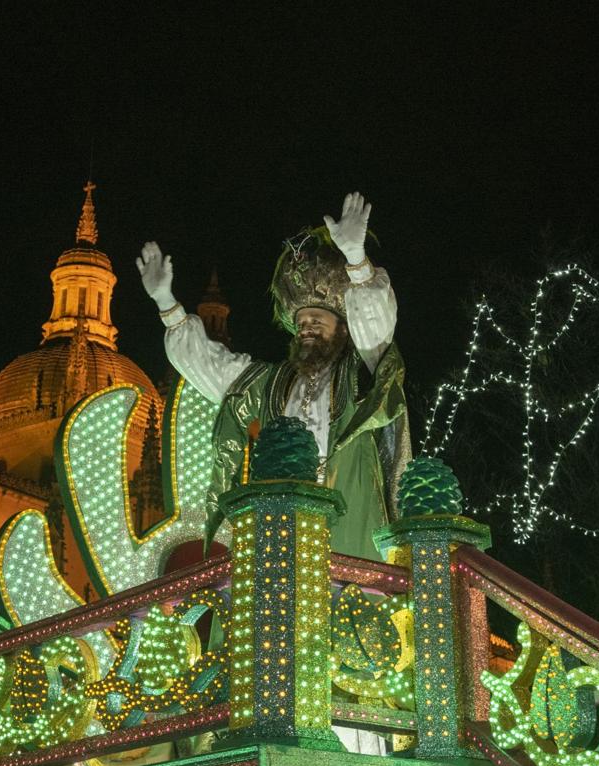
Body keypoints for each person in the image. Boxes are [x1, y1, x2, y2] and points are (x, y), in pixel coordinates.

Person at [137, 193, 409, 562]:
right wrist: (166, 303)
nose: (307, 329)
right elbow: (213, 367)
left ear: (343, 329)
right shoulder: (273, 384)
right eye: (301, 324)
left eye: (317, 321)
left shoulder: (360, 371)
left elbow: (375, 326)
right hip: (281, 518)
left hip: (349, 511)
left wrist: (357, 260)